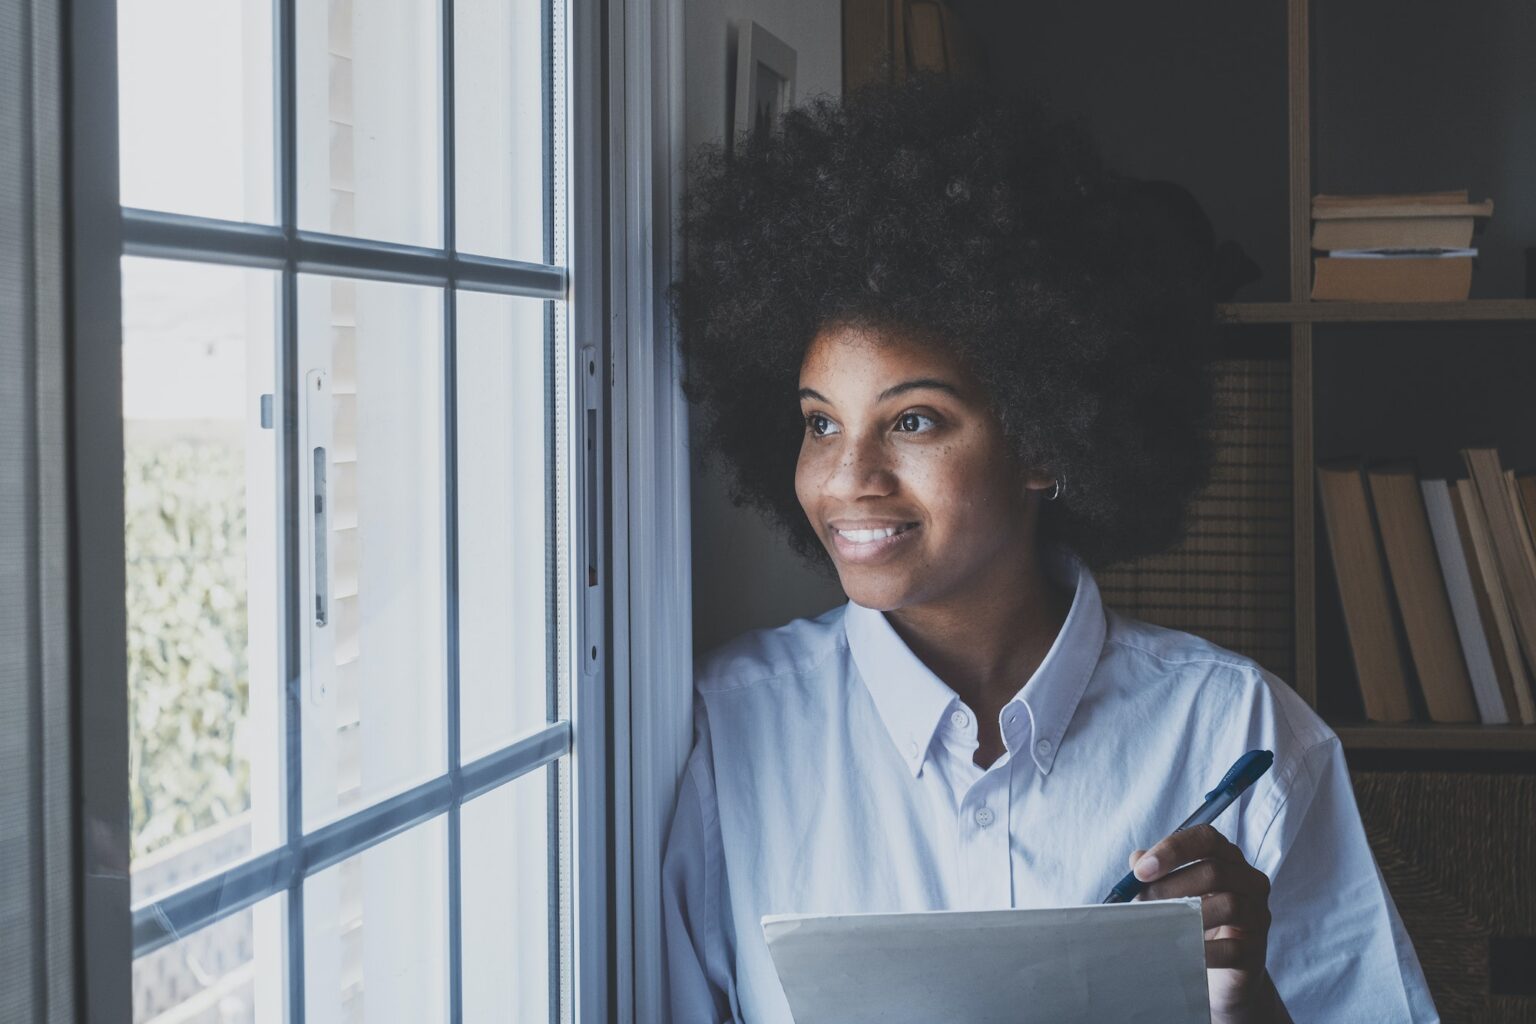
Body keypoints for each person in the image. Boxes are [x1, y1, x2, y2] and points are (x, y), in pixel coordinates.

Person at [663, 75, 1436, 1024]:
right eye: (820, 424)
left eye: (912, 419)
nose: (847, 476)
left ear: (1045, 442)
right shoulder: (723, 734)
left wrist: (1247, 1000)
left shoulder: (1245, 734)